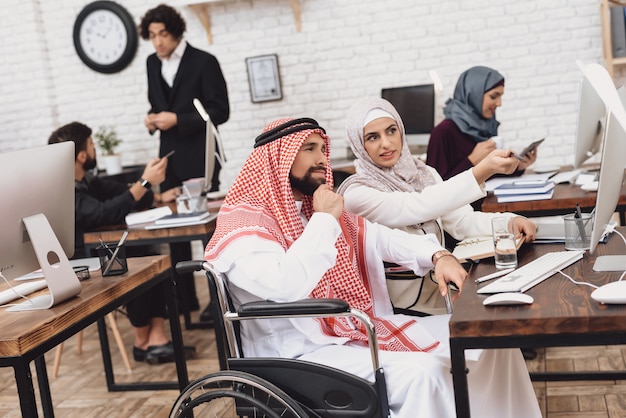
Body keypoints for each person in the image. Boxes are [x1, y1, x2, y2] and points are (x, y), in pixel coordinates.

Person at [203, 117, 541, 417]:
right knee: (425, 376)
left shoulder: (312, 210)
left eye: (323, 148)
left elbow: (383, 239)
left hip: (350, 331)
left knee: (494, 338)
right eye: (309, 149)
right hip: (298, 354)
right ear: (278, 160)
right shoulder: (244, 227)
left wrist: (437, 256)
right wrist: (323, 219)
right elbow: (286, 285)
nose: (322, 158)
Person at [337, 97, 537, 315]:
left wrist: (509, 222)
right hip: (398, 307)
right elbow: (415, 207)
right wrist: (482, 170)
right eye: (373, 137)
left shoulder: (424, 173)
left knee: (500, 311)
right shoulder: (356, 193)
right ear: (359, 144)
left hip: (441, 289)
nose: (386, 143)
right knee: (486, 320)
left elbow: (462, 221)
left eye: (391, 131)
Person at [48, 122, 192, 364]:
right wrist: (145, 182)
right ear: (82, 155)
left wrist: (156, 196)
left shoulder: (87, 180)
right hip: (81, 262)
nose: (96, 149)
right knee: (135, 262)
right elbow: (105, 212)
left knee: (150, 257)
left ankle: (155, 337)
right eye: (92, 145)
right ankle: (142, 341)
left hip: (99, 249)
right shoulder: (62, 191)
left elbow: (119, 192)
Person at [139, 3, 230, 321]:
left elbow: (220, 112)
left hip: (201, 156)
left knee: (207, 232)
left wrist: (177, 118)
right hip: (170, 158)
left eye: (162, 34)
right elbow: (157, 104)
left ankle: (215, 302)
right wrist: (152, 120)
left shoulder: (204, 62)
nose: (158, 41)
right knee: (173, 232)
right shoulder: (152, 64)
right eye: (152, 36)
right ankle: (184, 301)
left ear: (175, 31)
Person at [426, 66, 537, 209]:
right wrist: (472, 161)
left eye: (500, 96)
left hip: (487, 208)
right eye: (493, 96)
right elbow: (434, 192)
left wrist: (520, 166)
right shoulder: (443, 132)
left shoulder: (485, 126)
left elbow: (490, 175)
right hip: (460, 220)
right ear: (474, 94)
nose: (499, 103)